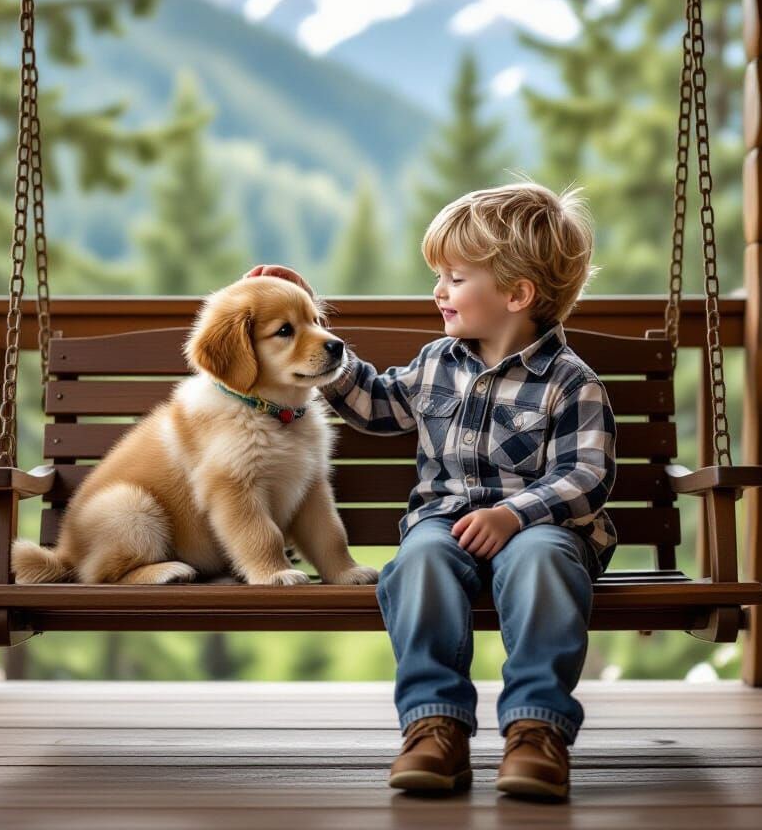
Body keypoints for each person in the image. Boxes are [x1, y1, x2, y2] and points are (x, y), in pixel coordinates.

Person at [243, 180, 617, 802]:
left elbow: (586, 477)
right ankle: (433, 728)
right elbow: (376, 406)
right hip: (444, 524)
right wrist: (305, 309)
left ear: (517, 294)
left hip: (544, 531)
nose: (438, 290)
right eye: (439, 275)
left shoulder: (571, 382)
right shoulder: (437, 362)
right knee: (418, 560)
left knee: (544, 561)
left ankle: (536, 733)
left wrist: (512, 515)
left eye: (455, 277)